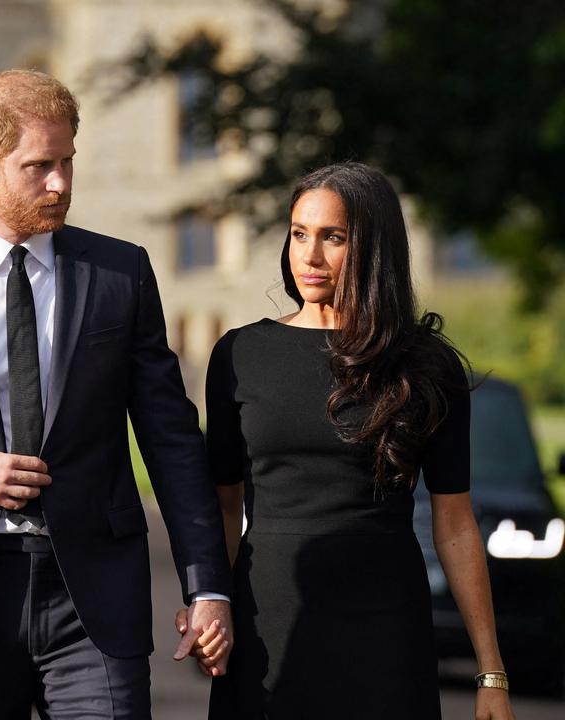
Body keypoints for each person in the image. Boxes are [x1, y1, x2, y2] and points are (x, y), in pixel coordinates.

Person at [0, 69, 234, 719]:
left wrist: (207, 585)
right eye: (39, 166)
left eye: (67, 162)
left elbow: (170, 437)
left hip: (92, 601)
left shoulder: (120, 274)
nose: (60, 183)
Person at [202, 162, 515, 719]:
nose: (310, 256)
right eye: (299, 233)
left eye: (333, 237)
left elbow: (455, 523)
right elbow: (223, 507)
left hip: (385, 626)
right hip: (268, 620)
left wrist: (491, 672)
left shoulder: (424, 365)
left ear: (372, 248)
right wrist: (211, 603)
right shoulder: (239, 355)